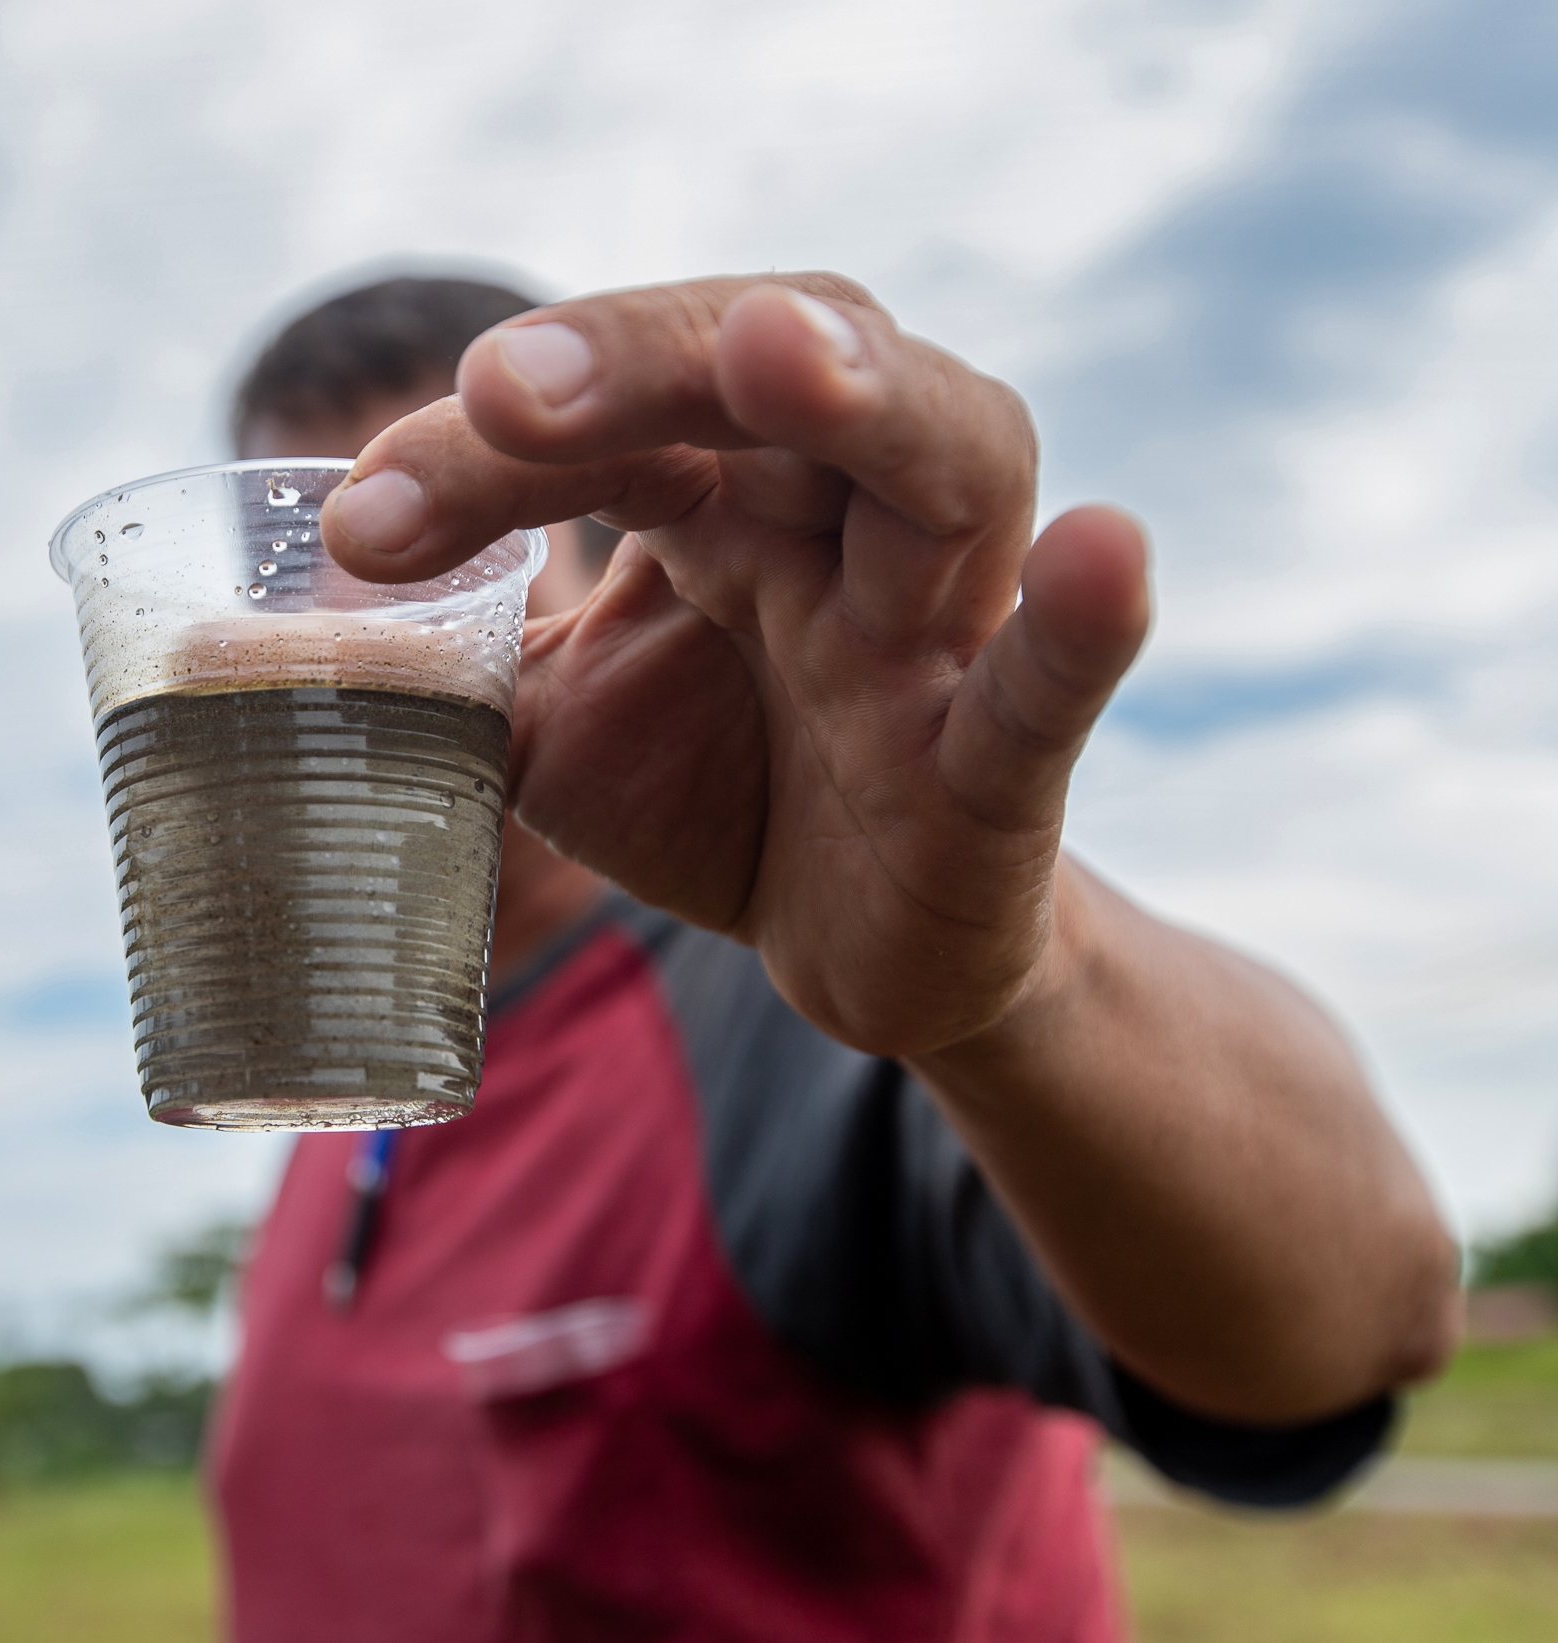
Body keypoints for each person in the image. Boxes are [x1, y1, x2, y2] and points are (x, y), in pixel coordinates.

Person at [206, 274, 1461, 1642]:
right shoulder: (343, 1091)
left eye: (423, 546)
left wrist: (1006, 989)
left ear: (590, 575)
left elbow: (1356, 1325)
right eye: (291, 559)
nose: (345, 620)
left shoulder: (798, 1018)